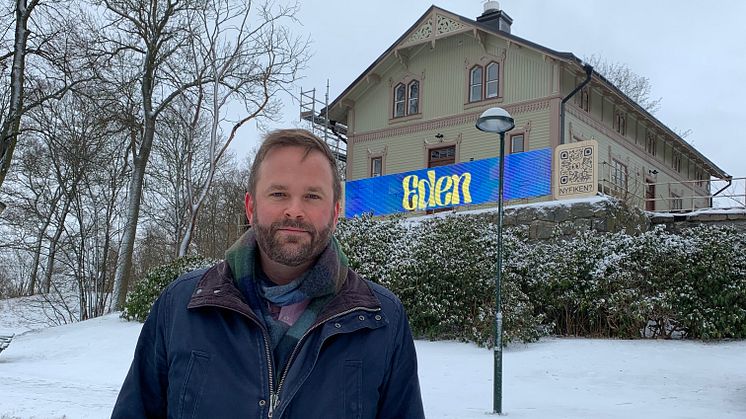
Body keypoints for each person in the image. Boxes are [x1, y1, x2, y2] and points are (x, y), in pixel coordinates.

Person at [112, 129, 425, 418]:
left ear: (335, 211)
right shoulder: (181, 305)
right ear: (250, 206)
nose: (294, 210)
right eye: (278, 194)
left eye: (312, 196)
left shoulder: (382, 320)